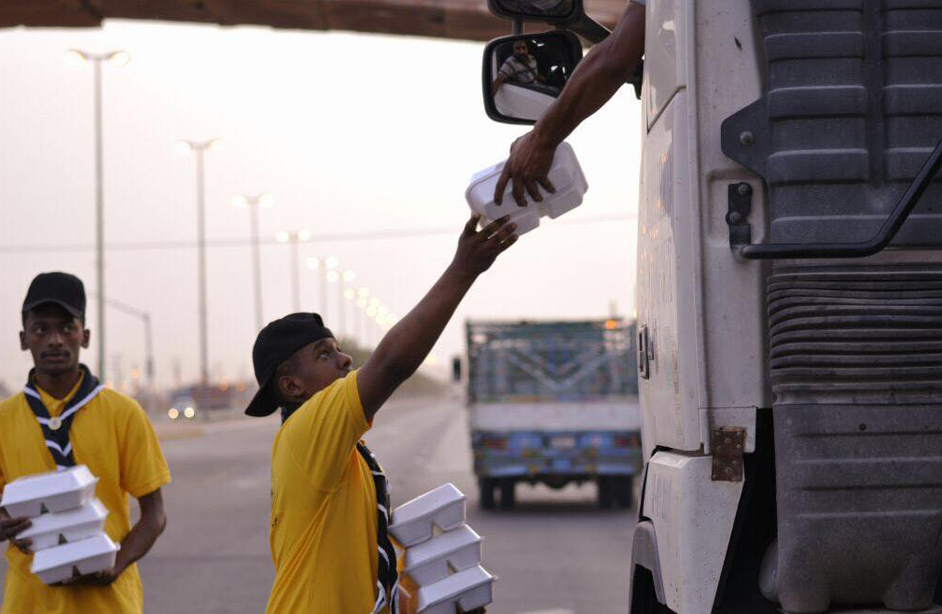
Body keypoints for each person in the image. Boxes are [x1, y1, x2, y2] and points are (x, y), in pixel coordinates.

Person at [246, 214, 517, 614]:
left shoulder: (341, 448)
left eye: (338, 348)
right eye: (325, 354)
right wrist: (464, 269)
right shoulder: (306, 430)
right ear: (291, 387)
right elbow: (391, 363)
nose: (345, 359)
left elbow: (364, 566)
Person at [0, 272, 170, 614]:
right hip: (28, 603)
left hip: (109, 603)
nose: (55, 340)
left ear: (84, 336)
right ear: (23, 339)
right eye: (41, 329)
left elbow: (155, 514)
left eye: (67, 328)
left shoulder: (123, 413)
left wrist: (116, 564)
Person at [494, 0, 646, 207]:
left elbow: (615, 58)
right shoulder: (511, 65)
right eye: (518, 48)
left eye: (523, 47)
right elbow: (615, 55)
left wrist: (541, 140)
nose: (521, 51)